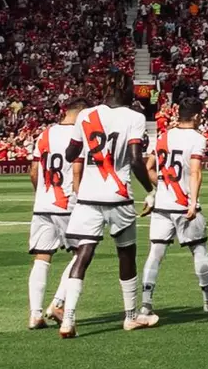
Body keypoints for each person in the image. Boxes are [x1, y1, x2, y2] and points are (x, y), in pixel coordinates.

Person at [60, 70, 156, 338]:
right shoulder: (135, 117)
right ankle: (130, 316)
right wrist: (150, 191)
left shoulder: (86, 116)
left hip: (88, 197)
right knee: (126, 254)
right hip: (119, 195)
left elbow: (70, 153)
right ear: (124, 89)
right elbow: (137, 160)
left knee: (83, 255)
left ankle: (68, 319)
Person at [139, 97, 208, 318]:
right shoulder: (197, 139)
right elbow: (196, 172)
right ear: (197, 116)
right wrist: (192, 202)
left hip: (162, 205)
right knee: (199, 250)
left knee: (155, 254)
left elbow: (149, 167)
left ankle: (145, 305)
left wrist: (158, 189)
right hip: (183, 205)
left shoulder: (164, 136)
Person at [27, 98, 84, 330]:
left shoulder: (44, 134)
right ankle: (58, 303)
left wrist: (41, 194)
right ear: (80, 113)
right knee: (82, 253)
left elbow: (33, 171)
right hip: (68, 204)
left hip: (43, 203)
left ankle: (34, 314)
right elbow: (81, 172)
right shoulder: (80, 136)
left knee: (42, 258)